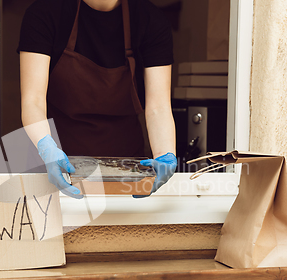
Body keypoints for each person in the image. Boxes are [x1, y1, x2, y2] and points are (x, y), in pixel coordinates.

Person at [17, 0, 177, 198]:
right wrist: (46, 147)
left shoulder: (151, 20)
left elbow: (158, 107)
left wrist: (165, 154)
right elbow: (32, 100)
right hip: (58, 162)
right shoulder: (45, 13)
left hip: (124, 169)